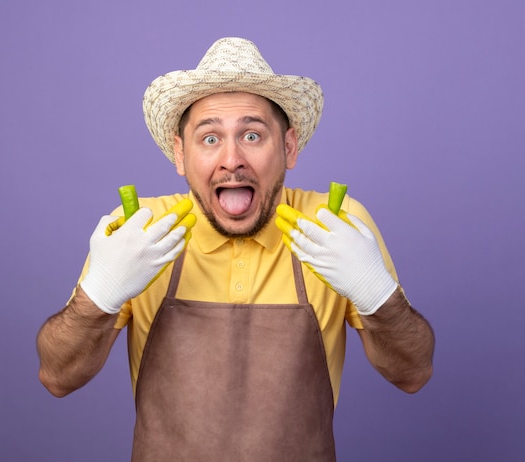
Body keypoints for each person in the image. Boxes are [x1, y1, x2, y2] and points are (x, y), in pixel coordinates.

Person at [37, 37, 435, 461]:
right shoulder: (141, 231)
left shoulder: (333, 225)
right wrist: (98, 295)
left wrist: (377, 295)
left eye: (251, 134)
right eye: (209, 139)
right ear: (180, 153)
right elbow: (57, 377)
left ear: (288, 148)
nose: (231, 160)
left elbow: (412, 373)